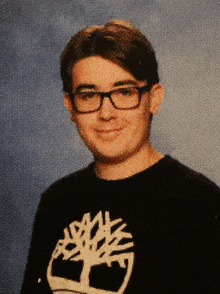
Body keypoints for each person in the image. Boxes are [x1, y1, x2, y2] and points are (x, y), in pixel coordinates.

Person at [21, 20, 220, 294]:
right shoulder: (57, 202)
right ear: (71, 105)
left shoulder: (199, 204)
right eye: (89, 95)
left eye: (124, 92)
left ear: (154, 98)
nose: (106, 113)